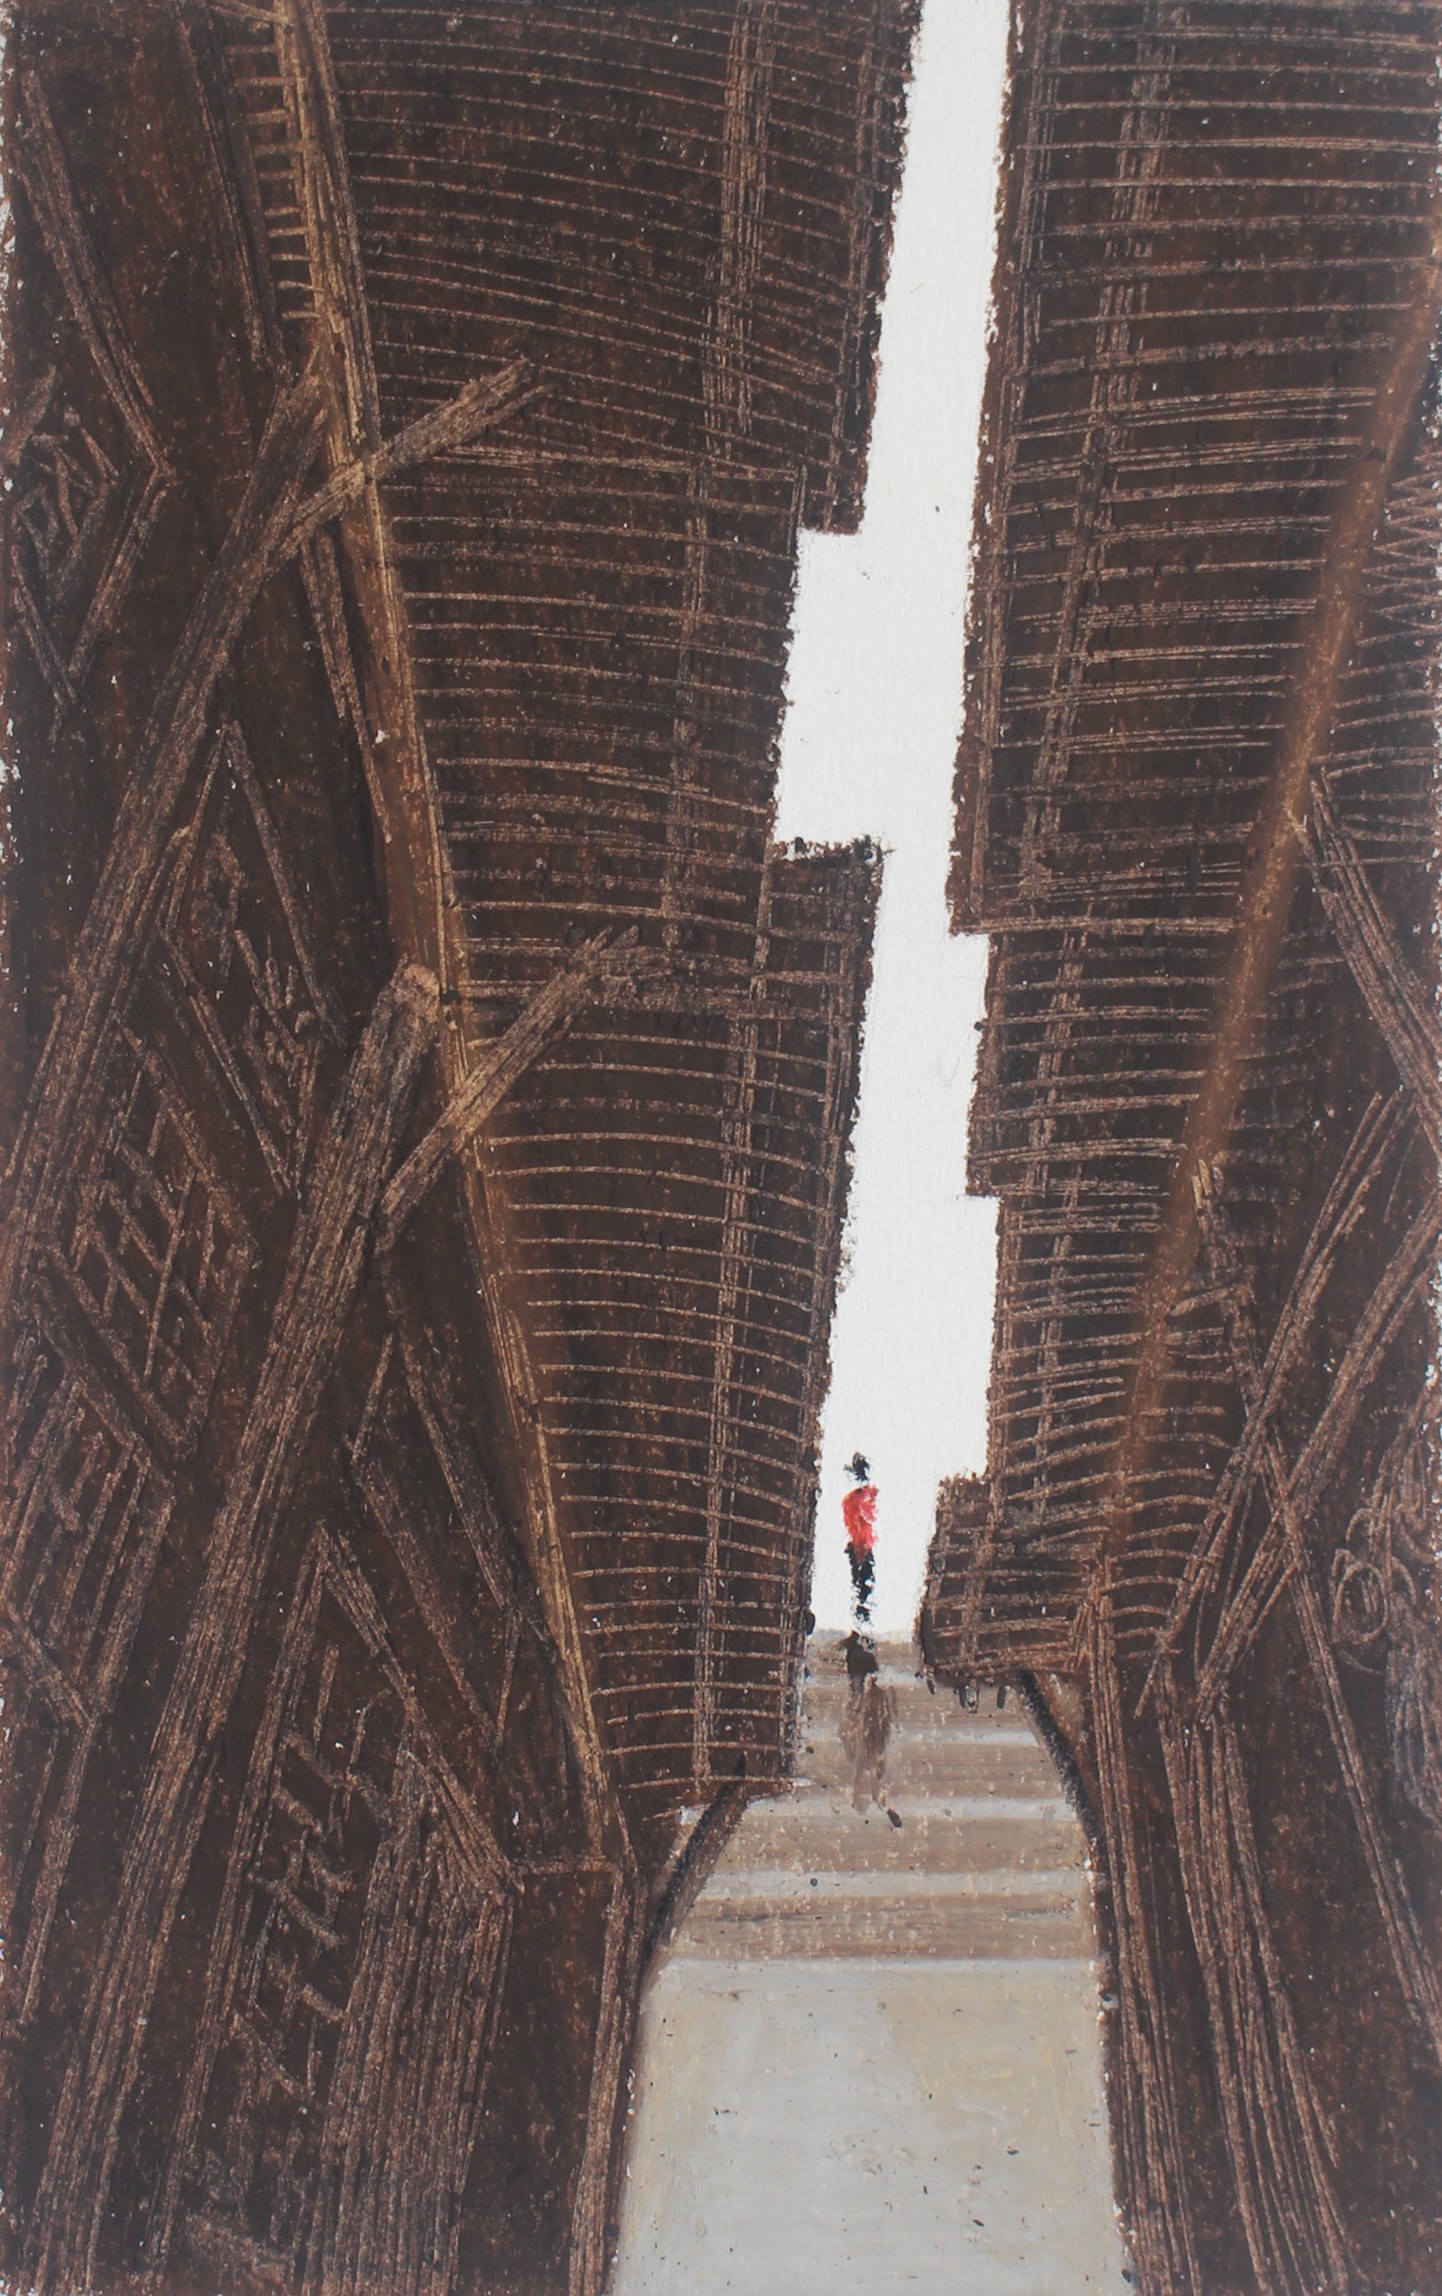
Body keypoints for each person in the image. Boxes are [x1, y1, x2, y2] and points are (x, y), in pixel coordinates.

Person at [842, 1451, 877, 1624]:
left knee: (860, 1582)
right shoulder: (865, 1497)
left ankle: (861, 1618)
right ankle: (862, 1618)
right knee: (864, 1582)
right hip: (863, 1546)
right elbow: (870, 1518)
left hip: (859, 1545)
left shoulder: (852, 1499)